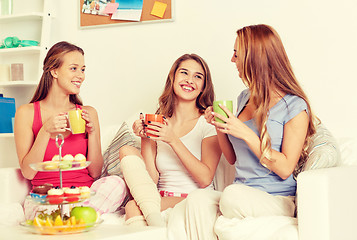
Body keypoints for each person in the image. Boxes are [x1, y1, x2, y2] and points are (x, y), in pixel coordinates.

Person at [182, 24, 317, 240]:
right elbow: (233, 158)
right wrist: (220, 126)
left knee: (231, 196)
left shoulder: (294, 106)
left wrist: (244, 132)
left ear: (254, 57)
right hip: (241, 192)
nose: (232, 60)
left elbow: (284, 168)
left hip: (276, 198)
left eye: (237, 53)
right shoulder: (244, 97)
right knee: (197, 200)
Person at [14, 41, 127, 219]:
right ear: (54, 71)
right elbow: (28, 172)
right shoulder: (26, 113)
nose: (81, 76)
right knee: (43, 209)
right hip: (46, 197)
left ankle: (68, 217)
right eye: (74, 68)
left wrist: (93, 132)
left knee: (117, 183)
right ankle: (78, 217)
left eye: (83, 69)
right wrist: (45, 131)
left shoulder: (88, 113)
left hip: (82, 194)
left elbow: (95, 172)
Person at [118, 54, 222, 227]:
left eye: (198, 76)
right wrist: (145, 138)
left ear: (204, 87)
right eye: (184, 73)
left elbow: (205, 178)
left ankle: (153, 223)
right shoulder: (159, 122)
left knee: (133, 208)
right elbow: (150, 181)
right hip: (158, 200)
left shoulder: (208, 122)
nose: (190, 80)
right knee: (126, 152)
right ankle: (155, 223)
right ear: (173, 78)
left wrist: (173, 140)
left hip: (194, 200)